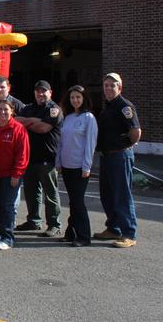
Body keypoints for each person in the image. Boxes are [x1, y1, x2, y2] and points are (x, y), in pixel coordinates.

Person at [94, 73, 141, 248]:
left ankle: (129, 233)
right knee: (107, 194)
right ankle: (113, 228)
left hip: (120, 155)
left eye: (112, 85)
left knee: (122, 195)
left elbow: (136, 132)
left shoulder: (124, 106)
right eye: (105, 85)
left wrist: (125, 146)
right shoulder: (108, 107)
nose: (108, 88)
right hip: (107, 156)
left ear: (119, 88)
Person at [15, 80, 63, 237]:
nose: (40, 94)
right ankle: (34, 221)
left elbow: (43, 128)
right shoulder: (28, 108)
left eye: (44, 91)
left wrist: (27, 122)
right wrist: (34, 121)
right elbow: (16, 122)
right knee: (31, 191)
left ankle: (54, 224)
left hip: (47, 158)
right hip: (30, 157)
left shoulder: (54, 109)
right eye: (38, 91)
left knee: (50, 194)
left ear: (50, 92)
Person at [55, 85, 98, 247]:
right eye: (72, 97)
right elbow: (61, 142)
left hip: (80, 167)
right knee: (73, 201)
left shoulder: (89, 118)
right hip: (66, 166)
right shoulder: (68, 117)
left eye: (78, 97)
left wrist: (87, 166)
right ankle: (71, 233)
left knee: (78, 202)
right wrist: (58, 161)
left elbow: (90, 144)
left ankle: (84, 236)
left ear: (84, 99)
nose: (75, 100)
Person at [0, 100, 29, 250]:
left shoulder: (18, 129)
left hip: (10, 176)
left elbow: (22, 154)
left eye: (6, 109)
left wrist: (17, 174)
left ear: (12, 111)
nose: (3, 112)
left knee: (7, 206)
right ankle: (2, 232)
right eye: (0, 110)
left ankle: (8, 238)